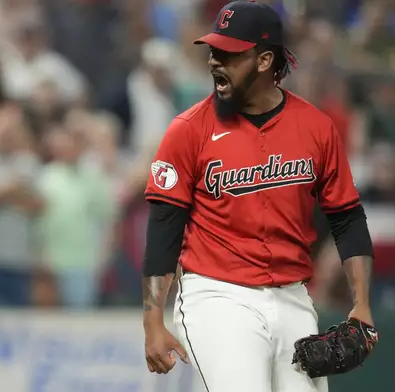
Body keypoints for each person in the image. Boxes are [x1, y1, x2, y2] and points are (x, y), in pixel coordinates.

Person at [141, 2, 375, 392]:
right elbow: (164, 229)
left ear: (265, 59)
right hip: (217, 295)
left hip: (293, 296)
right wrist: (152, 320)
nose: (216, 61)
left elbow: (347, 217)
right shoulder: (187, 130)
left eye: (230, 54)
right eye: (214, 51)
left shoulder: (316, 128)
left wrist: (362, 304)